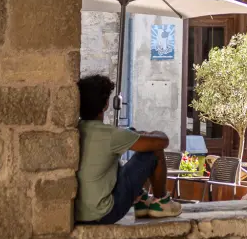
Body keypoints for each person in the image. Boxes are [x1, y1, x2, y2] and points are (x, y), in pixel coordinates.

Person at [74, 74, 182, 224]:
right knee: (152, 152)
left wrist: (131, 134)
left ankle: (141, 199)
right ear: (105, 105)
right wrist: (149, 134)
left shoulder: (74, 131)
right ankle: (161, 202)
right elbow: (161, 142)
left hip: (77, 214)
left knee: (112, 161)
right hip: (105, 213)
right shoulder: (111, 135)